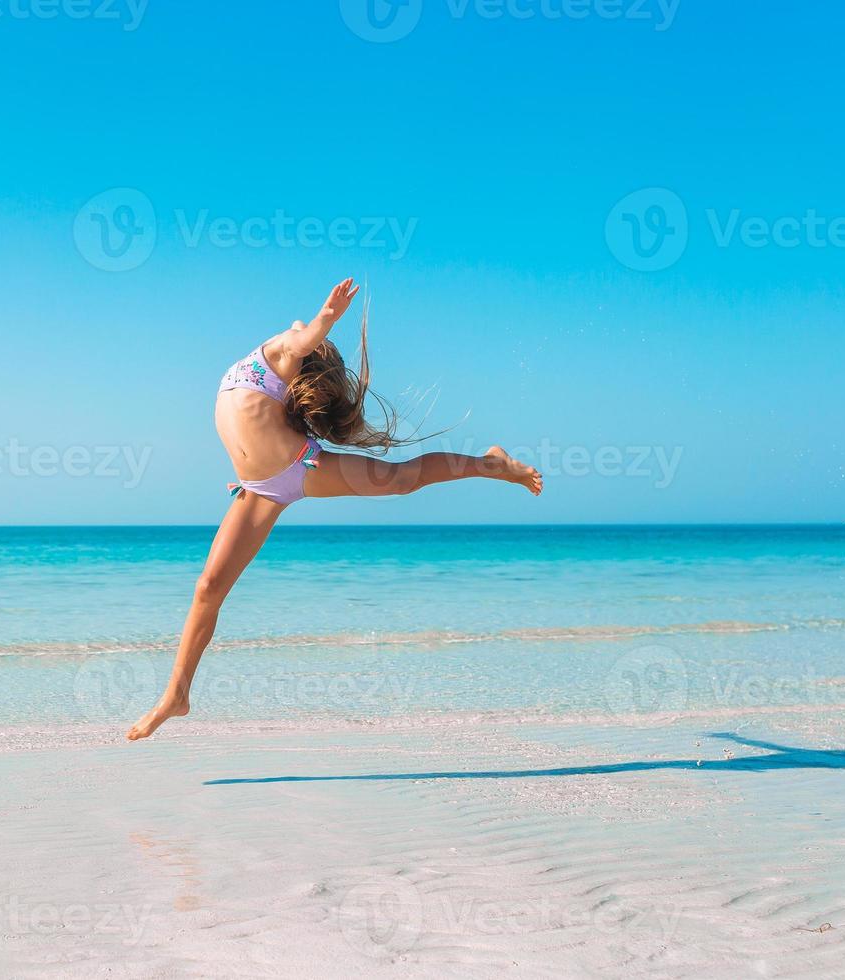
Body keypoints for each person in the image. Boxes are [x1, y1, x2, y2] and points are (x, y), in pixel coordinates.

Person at [127, 278, 543, 741]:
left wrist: (327, 316)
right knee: (208, 587)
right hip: (261, 488)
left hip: (303, 468)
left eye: (309, 340)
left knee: (403, 480)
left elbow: (304, 336)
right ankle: (177, 694)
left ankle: (492, 463)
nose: (297, 329)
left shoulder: (281, 351)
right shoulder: (273, 367)